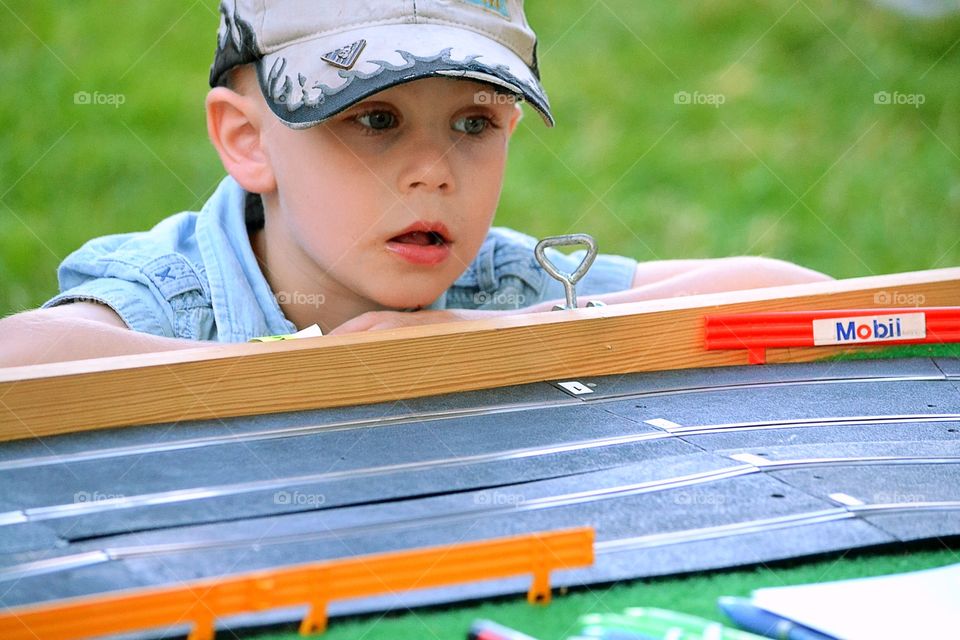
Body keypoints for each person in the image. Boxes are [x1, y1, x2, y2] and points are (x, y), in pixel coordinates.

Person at [0, 0, 830, 367]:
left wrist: (497, 334)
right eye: (374, 120)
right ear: (248, 141)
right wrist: (296, 367)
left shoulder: (499, 287)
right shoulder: (181, 297)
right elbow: (22, 358)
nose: (434, 172)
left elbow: (800, 297)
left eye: (473, 124)